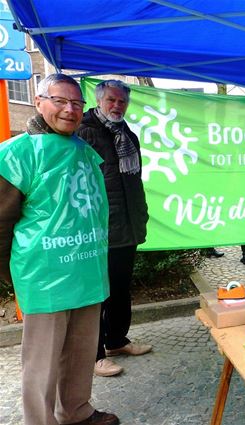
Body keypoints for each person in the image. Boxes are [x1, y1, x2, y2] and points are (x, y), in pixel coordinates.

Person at [0, 74, 119, 424]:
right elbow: (1, 223)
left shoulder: (85, 151)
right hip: (44, 276)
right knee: (42, 363)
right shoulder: (17, 154)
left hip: (84, 270)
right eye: (60, 101)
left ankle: (76, 411)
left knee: (81, 354)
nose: (69, 110)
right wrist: (12, 276)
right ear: (39, 102)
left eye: (77, 103)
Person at [77, 80, 151, 378]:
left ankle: (117, 341)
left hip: (126, 225)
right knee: (98, 293)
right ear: (99, 100)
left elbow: (133, 182)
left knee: (120, 289)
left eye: (122, 101)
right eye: (111, 100)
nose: (117, 105)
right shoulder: (85, 132)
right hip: (98, 227)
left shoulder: (127, 134)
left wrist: (140, 217)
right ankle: (94, 356)